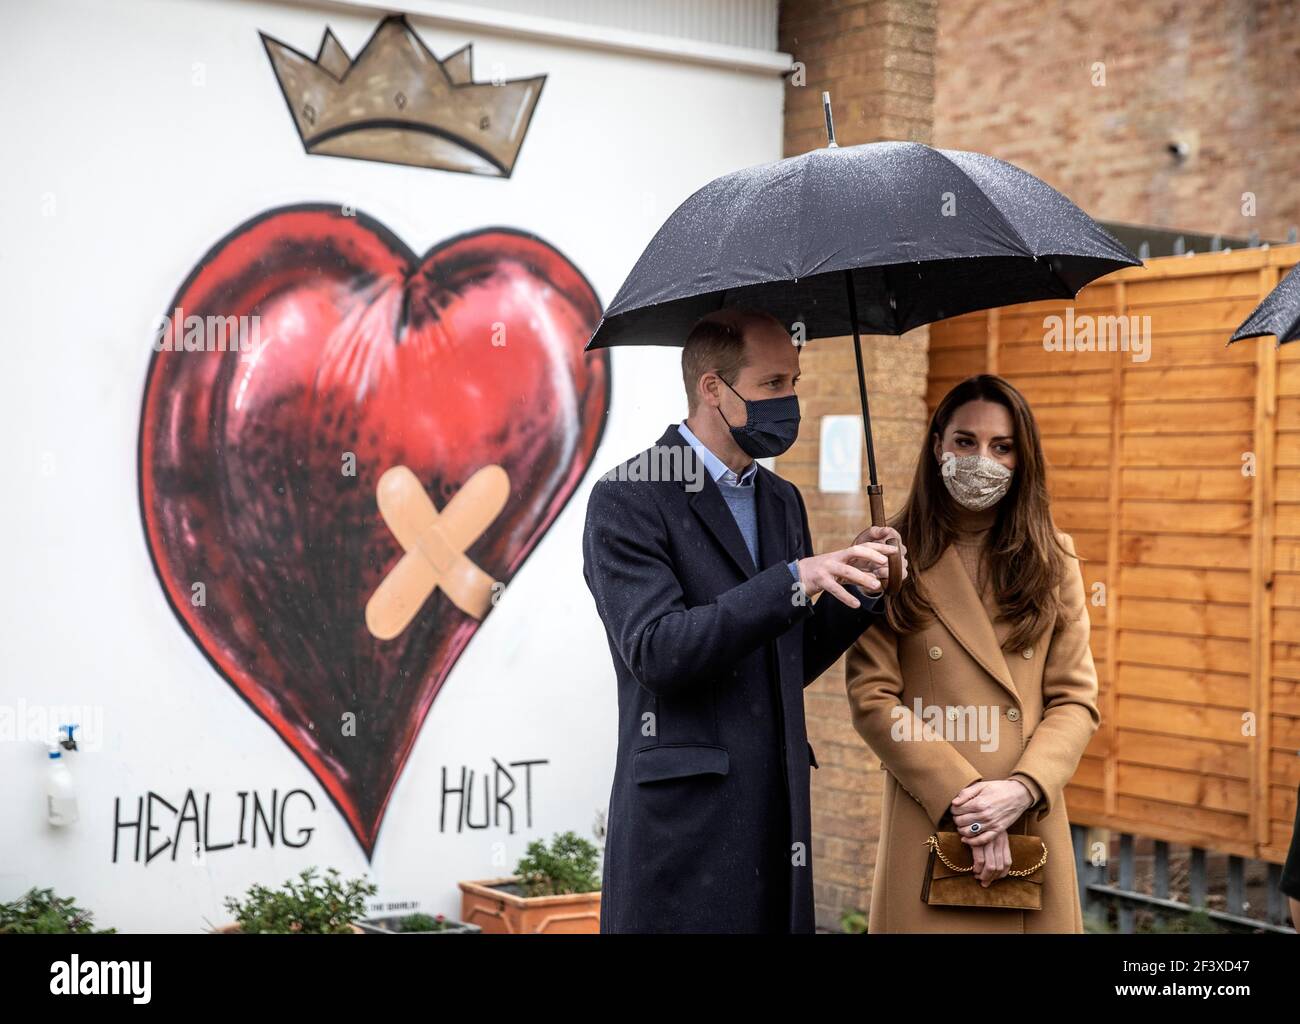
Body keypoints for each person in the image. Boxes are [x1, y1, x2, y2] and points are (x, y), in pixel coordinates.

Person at [582, 307, 908, 933]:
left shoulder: (780, 500)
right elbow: (657, 651)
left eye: (794, 382)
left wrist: (860, 586)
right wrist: (793, 581)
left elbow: (785, 662)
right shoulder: (628, 496)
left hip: (777, 817)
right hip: (684, 832)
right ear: (712, 389)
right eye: (772, 386)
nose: (790, 401)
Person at [844, 373, 1100, 932]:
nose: (981, 459)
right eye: (966, 441)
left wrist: (1019, 790)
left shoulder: (1055, 559)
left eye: (1001, 447)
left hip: (1028, 823)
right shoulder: (890, 553)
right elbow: (872, 697)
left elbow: (1075, 700)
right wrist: (966, 800)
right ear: (938, 444)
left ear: (1021, 459)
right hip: (931, 828)